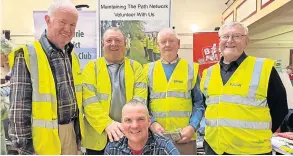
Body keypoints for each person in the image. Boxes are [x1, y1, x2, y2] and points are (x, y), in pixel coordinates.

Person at [200, 21, 288, 155]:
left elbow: (280, 108)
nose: (230, 40)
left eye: (236, 36)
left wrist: (258, 134)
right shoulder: (208, 73)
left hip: (252, 150)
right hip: (214, 148)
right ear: (219, 41)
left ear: (246, 41)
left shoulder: (264, 68)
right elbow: (209, 106)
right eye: (225, 36)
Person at [8, 0, 83, 154]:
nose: (68, 29)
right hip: (41, 141)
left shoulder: (72, 56)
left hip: (70, 134)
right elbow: (19, 106)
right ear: (48, 20)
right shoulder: (27, 54)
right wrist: (25, 146)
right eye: (63, 22)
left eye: (73, 25)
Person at [82, 27, 148, 155]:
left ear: (125, 44)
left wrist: (127, 125)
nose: (113, 43)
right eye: (109, 40)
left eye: (118, 40)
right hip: (98, 138)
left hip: (130, 135)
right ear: (103, 44)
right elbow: (89, 102)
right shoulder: (91, 68)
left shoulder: (136, 68)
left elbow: (140, 100)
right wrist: (107, 124)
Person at [144, 28, 205, 155]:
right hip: (155, 138)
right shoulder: (147, 70)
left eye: (171, 41)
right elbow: (143, 105)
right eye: (163, 41)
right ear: (158, 45)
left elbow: (199, 104)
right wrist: (152, 123)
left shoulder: (191, 69)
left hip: (184, 138)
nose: (167, 45)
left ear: (178, 43)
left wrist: (192, 127)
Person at [104, 99, 180, 155]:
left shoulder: (164, 147)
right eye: (128, 120)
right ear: (122, 123)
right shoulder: (112, 148)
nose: (134, 126)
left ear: (149, 121)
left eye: (140, 119)